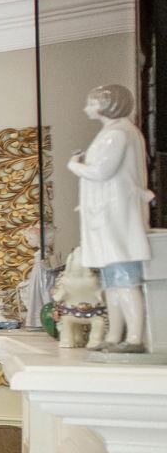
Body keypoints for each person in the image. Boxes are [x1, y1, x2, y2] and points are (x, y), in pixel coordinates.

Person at [65, 83, 155, 352]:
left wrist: (74, 165)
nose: (86, 108)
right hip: (108, 216)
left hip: (115, 218)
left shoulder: (117, 134)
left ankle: (134, 338)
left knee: (124, 280)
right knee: (113, 282)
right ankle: (116, 337)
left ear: (107, 104)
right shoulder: (118, 132)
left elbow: (102, 172)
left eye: (91, 103)